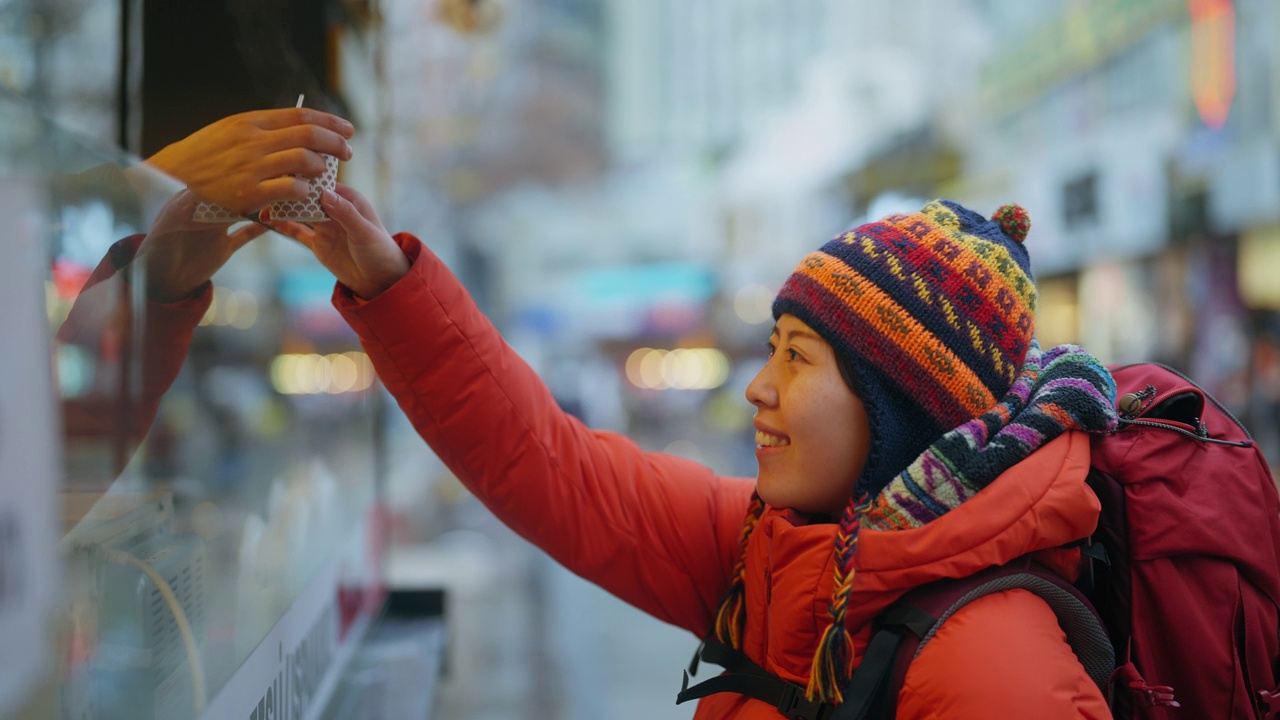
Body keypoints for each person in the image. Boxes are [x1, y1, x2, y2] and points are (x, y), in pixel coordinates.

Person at [271, 186, 1120, 718]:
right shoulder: (776, 546)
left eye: (796, 357)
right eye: (770, 349)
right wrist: (390, 289)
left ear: (899, 409)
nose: (758, 388)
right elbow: (546, 462)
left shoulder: (996, 671)